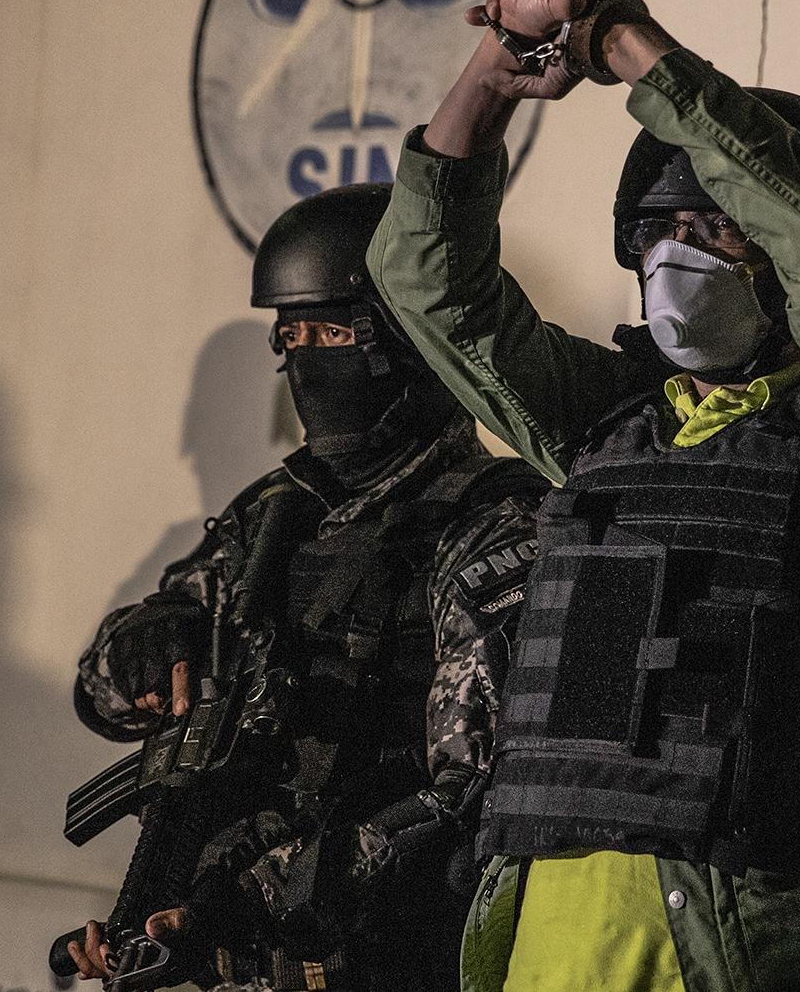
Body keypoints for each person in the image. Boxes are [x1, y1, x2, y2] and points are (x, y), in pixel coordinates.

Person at [365, 0, 800, 992]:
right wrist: (499, 66)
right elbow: (433, 288)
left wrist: (618, 42)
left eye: (718, 230)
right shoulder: (607, 425)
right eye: (660, 234)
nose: (680, 258)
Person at [64, 183, 548, 992]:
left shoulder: (493, 522)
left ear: (405, 341)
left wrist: (258, 891)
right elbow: (105, 695)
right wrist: (147, 642)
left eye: (327, 329)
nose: (302, 358)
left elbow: (471, 793)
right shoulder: (275, 515)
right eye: (287, 334)